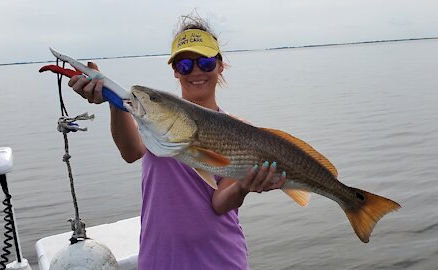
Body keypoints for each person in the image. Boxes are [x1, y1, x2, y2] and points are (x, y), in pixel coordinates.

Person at [68, 14, 286, 270]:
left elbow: (219, 203)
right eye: (184, 65)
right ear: (174, 70)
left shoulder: (240, 132)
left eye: (205, 62)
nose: (195, 72)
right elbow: (130, 152)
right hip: (158, 259)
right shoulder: (158, 117)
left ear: (220, 66)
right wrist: (115, 104)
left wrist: (244, 187)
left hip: (221, 260)